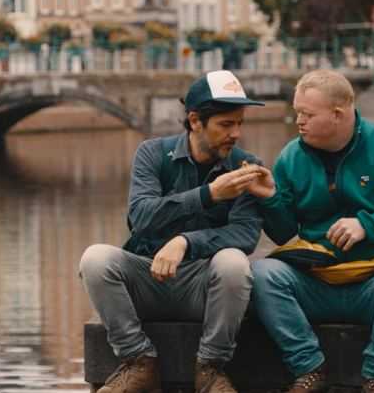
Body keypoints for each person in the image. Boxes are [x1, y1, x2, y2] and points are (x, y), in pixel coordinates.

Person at [241, 69, 374, 393]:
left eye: (307, 114)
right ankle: (308, 369)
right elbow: (283, 234)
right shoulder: (291, 157)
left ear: (338, 114)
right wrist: (270, 199)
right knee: (262, 273)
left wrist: (368, 225)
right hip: (315, 282)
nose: (298, 121)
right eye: (297, 113)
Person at [79, 70, 268, 393]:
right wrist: (209, 195)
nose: (236, 133)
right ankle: (138, 360)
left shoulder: (245, 165)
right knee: (95, 259)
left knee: (234, 263)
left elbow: (245, 235)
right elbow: (140, 216)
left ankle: (209, 368)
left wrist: (185, 241)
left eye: (239, 123)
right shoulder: (152, 154)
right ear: (195, 121)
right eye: (226, 124)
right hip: (148, 279)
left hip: (205, 290)